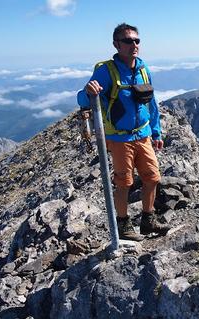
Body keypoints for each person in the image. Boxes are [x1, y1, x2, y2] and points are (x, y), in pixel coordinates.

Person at [77, 23, 168, 241]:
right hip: (119, 139)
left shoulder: (143, 69)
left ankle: (148, 219)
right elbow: (83, 100)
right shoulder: (106, 71)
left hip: (143, 135)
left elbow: (151, 104)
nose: (134, 45)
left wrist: (156, 132)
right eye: (128, 41)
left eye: (137, 40)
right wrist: (88, 91)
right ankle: (123, 223)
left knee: (152, 177)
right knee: (124, 183)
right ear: (116, 44)